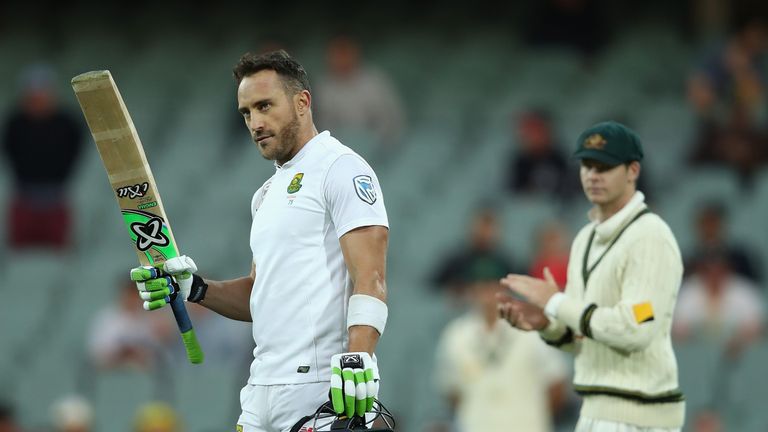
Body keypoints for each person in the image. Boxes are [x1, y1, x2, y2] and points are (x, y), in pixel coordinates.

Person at [130, 50, 389, 432]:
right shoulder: (265, 194)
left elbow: (372, 279)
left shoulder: (342, 169)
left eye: (265, 106)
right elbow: (258, 295)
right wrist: (194, 288)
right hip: (259, 390)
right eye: (247, 112)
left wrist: (359, 359)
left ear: (303, 102)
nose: (255, 122)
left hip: (320, 388)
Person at [498, 121, 685, 431]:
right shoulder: (586, 239)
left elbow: (635, 327)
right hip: (595, 409)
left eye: (605, 166)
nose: (593, 175)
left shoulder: (651, 238)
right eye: (587, 165)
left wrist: (556, 303)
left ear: (632, 171)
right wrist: (549, 325)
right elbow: (589, 336)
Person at [435, 266, 567, 432]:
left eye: (491, 286)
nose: (486, 293)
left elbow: (557, 385)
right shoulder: (456, 335)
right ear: (470, 290)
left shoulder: (529, 327)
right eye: (480, 286)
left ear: (504, 288)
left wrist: (529, 416)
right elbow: (452, 392)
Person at [1, 64, 83, 249]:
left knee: (57, 251)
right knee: (19, 251)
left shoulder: (68, 123)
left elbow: (74, 152)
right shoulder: (14, 123)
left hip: (57, 197)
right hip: (23, 197)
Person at [314, 36, 405, 149]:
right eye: (336, 53)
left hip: (380, 147)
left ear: (356, 53)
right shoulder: (323, 86)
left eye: (345, 52)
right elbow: (324, 125)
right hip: (339, 149)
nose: (341, 58)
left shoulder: (375, 81)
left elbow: (392, 120)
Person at [430, 206, 514, 297]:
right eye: (481, 226)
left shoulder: (505, 263)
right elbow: (435, 288)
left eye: (489, 227)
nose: (484, 233)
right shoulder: (455, 261)